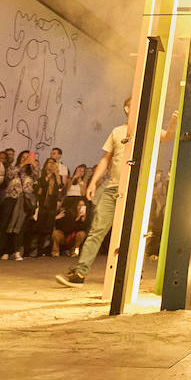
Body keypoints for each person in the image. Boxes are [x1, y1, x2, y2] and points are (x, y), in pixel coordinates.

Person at [57, 99, 132, 286]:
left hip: (134, 189)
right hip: (113, 188)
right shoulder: (117, 132)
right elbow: (106, 159)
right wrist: (92, 183)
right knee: (97, 230)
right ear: (127, 108)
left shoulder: (149, 129)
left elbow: (167, 136)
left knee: (131, 233)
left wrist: (172, 124)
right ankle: (79, 273)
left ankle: (130, 275)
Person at [0, 150, 37, 260]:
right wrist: (22, 164)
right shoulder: (13, 168)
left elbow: (38, 175)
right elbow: (9, 176)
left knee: (19, 226)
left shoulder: (31, 173)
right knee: (4, 224)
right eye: (23, 157)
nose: (26, 159)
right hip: (11, 198)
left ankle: (15, 251)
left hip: (24, 201)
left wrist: (33, 164)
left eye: (27, 157)